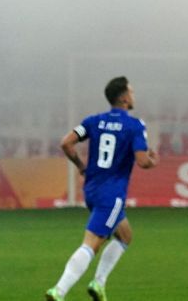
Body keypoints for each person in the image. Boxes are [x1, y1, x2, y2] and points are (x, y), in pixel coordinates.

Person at [45, 76, 158, 301]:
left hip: (92, 191)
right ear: (124, 98)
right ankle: (59, 290)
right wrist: (152, 160)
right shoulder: (135, 125)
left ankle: (98, 283)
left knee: (125, 235)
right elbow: (143, 161)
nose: (133, 96)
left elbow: (66, 143)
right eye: (131, 92)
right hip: (112, 195)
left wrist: (81, 166)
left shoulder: (92, 121)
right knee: (92, 243)